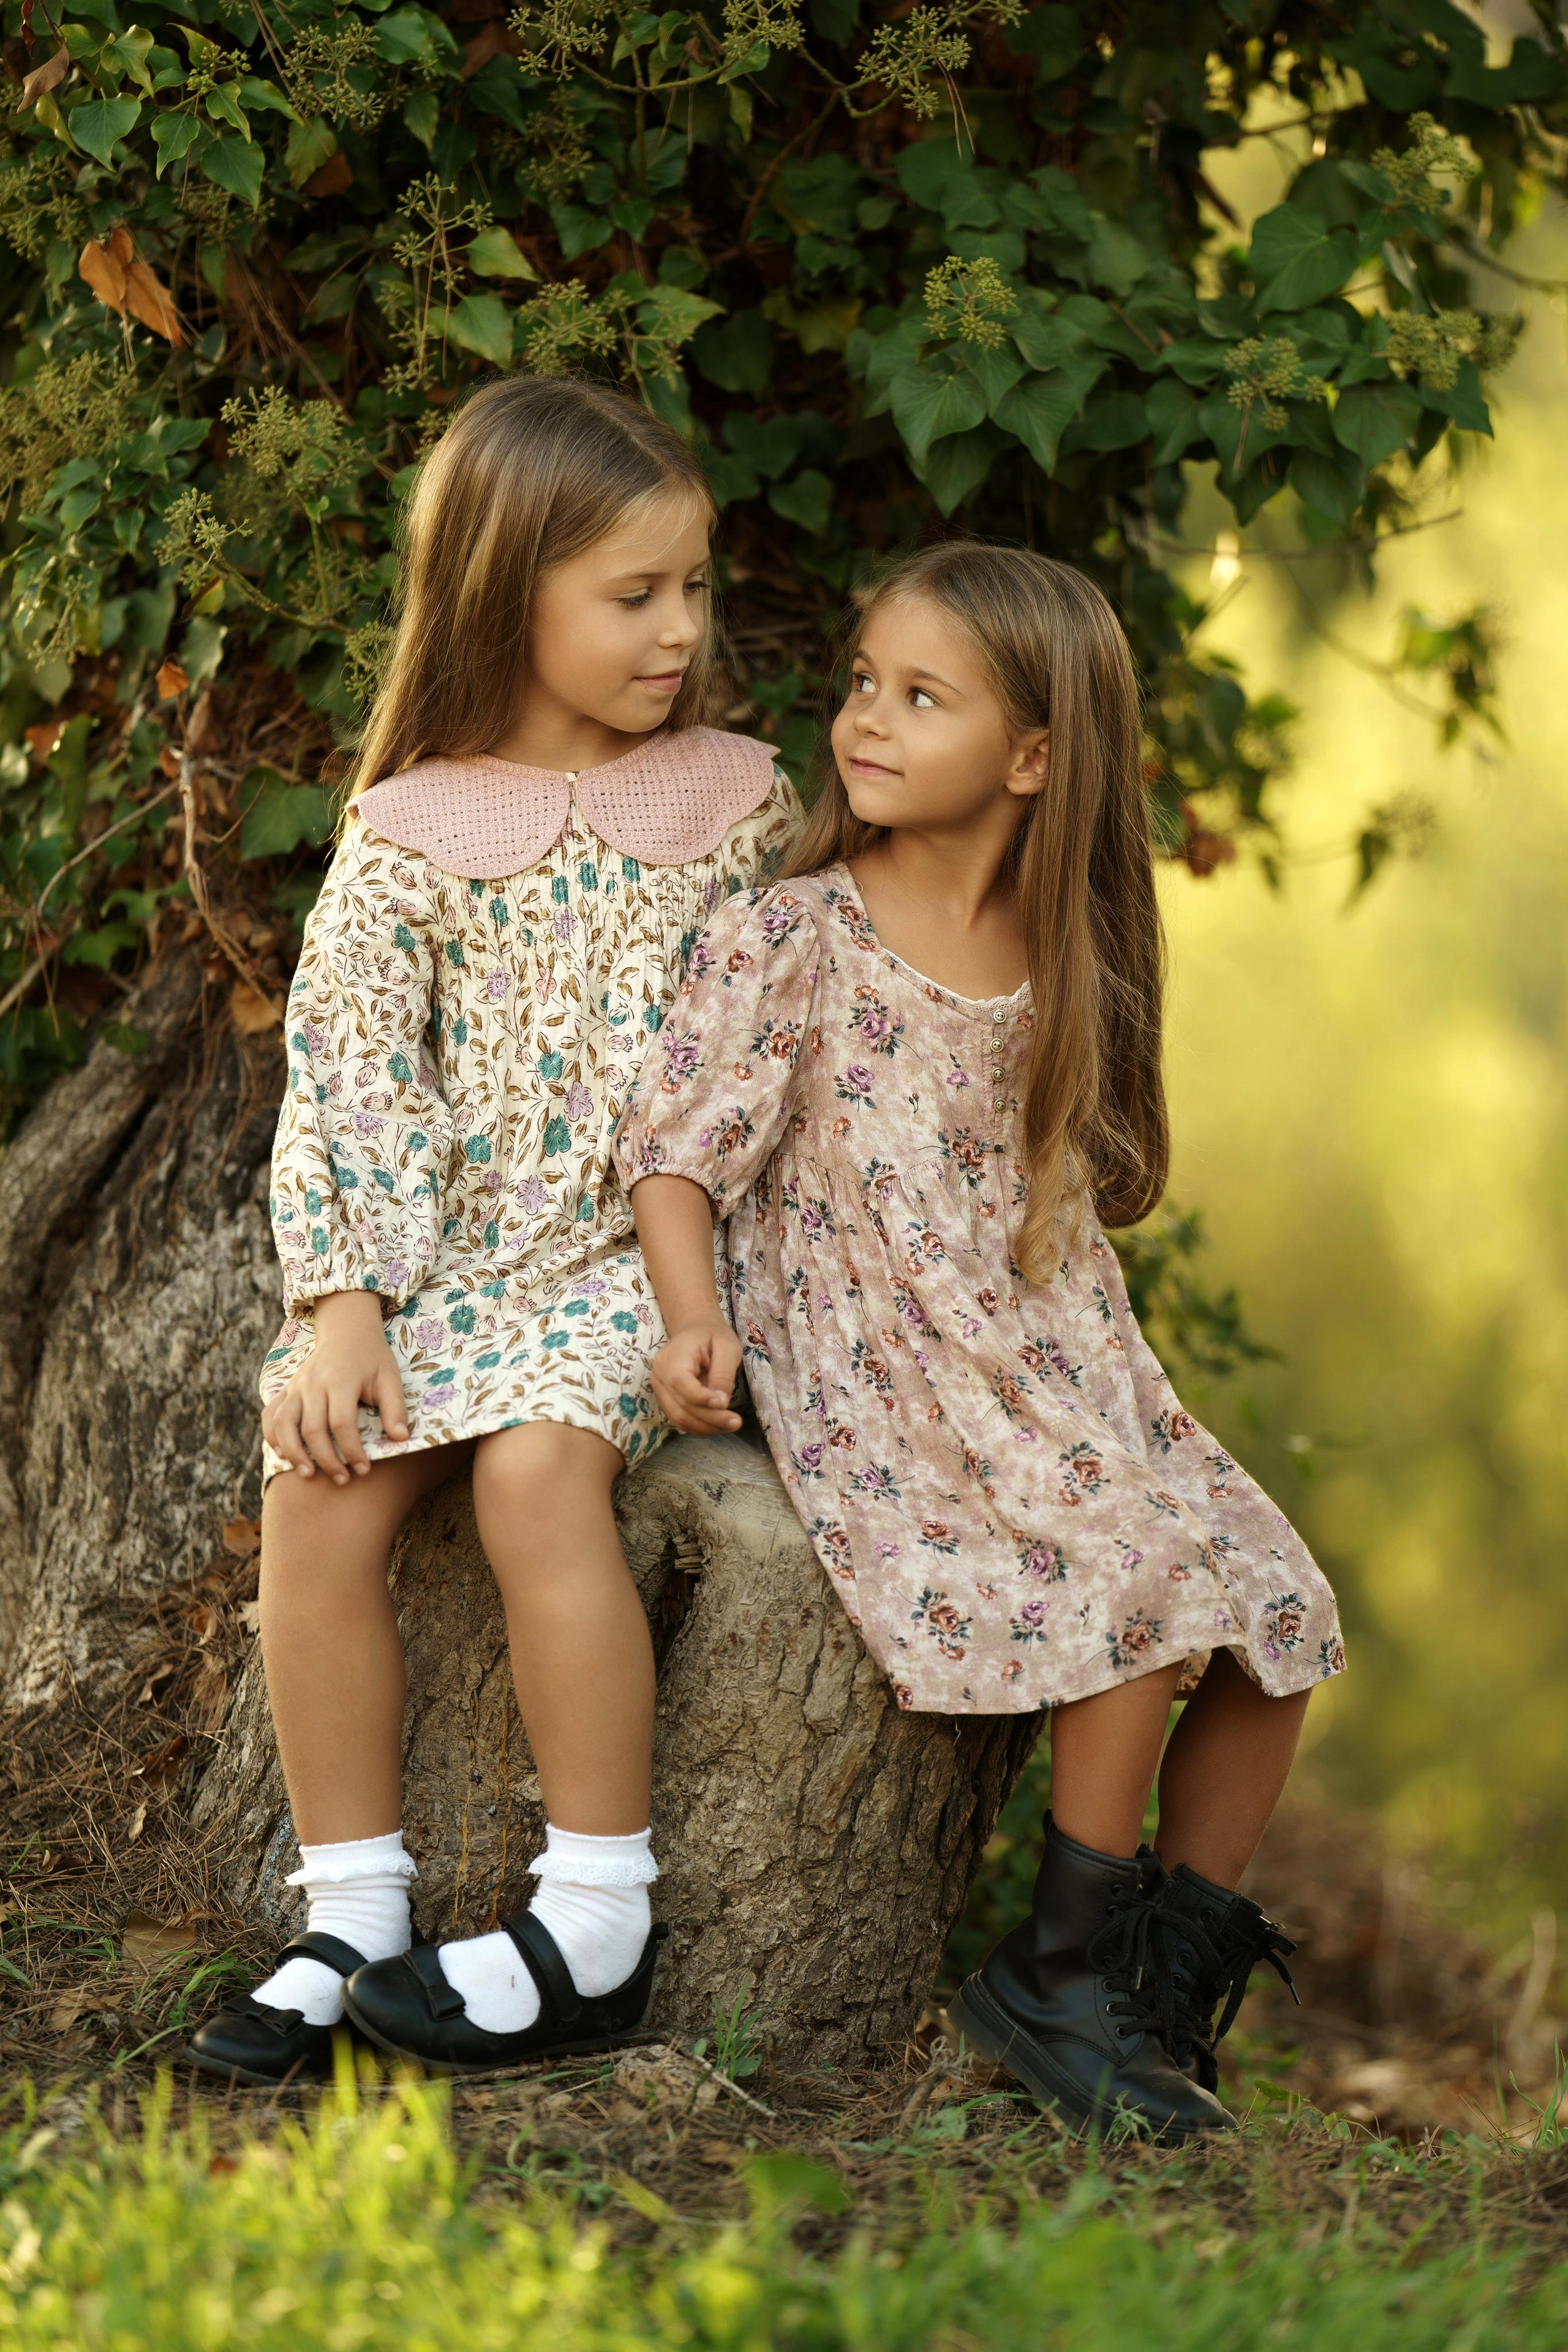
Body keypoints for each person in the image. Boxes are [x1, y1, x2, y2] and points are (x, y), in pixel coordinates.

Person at [613, 541, 1344, 2137]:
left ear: (1031, 758)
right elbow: (676, 1147)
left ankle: (1150, 1998)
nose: (866, 720)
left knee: (1279, 1615)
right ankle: (1054, 1978)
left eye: (920, 697)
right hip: (890, 1371)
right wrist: (690, 1319)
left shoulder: (1058, 959)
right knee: (1138, 1586)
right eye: (865, 683)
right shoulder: (797, 938)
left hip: (1050, 1369)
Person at [187, 377, 799, 2086]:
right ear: (505, 589)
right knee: (316, 1496)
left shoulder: (738, 803)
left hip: (642, 1262)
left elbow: (779, 1052)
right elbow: (360, 1076)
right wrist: (348, 1306)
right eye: (634, 595)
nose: (680, 628)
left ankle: (596, 1906)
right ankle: (352, 1916)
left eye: (693, 586)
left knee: (538, 1477)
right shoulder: (407, 834)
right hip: (459, 1267)